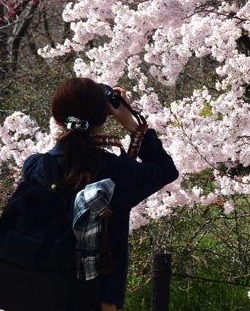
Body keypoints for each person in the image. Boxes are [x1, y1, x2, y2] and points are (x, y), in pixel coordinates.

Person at [23, 77, 179, 311]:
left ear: (57, 120)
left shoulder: (34, 166)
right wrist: (132, 123)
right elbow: (166, 169)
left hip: (37, 291)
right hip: (94, 299)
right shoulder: (117, 174)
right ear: (105, 117)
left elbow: (66, 157)